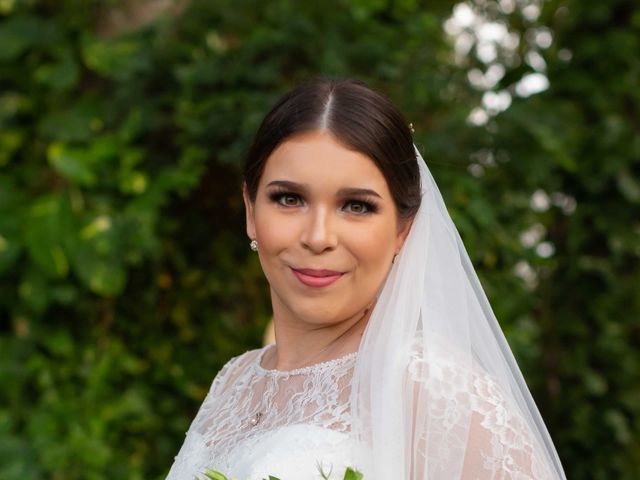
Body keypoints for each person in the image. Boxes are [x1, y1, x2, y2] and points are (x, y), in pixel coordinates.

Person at [166, 78, 566, 479]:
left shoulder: (433, 391)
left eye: (356, 206)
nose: (318, 237)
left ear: (403, 231)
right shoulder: (233, 380)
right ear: (251, 212)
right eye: (289, 198)